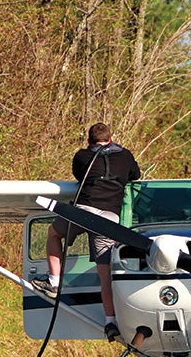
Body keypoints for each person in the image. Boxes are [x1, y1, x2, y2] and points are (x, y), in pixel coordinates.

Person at [31, 122, 140, 341]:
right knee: (104, 275)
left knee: (54, 234)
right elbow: (135, 174)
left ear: (89, 141)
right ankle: (110, 321)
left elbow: (79, 175)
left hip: (82, 213)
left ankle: (53, 281)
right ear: (110, 139)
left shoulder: (82, 156)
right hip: (108, 220)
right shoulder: (125, 156)